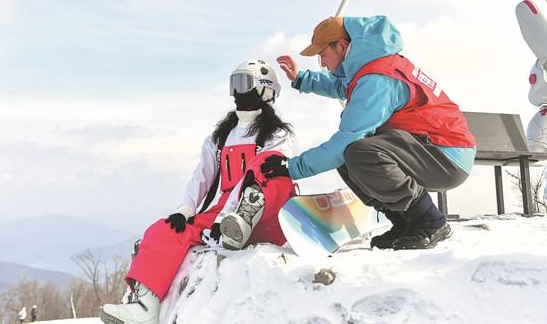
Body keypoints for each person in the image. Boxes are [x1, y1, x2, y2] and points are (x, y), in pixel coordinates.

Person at [100, 59, 296, 324]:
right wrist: (186, 209)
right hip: (225, 211)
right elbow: (201, 177)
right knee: (162, 230)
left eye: (244, 83)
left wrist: (231, 211)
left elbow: (266, 175)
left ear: (264, 90)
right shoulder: (221, 138)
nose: (237, 92)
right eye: (234, 84)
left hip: (266, 209)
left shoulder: (276, 135)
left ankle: (239, 223)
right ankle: (145, 307)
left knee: (266, 164)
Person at [264, 16, 476, 251]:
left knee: (359, 152)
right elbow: (341, 86)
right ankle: (405, 222)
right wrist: (302, 79)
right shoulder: (372, 67)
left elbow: (347, 139)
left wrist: (291, 168)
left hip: (446, 154)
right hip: (432, 148)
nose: (322, 63)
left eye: (323, 54)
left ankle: (429, 221)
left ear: (342, 46)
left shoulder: (377, 79)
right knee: (349, 159)